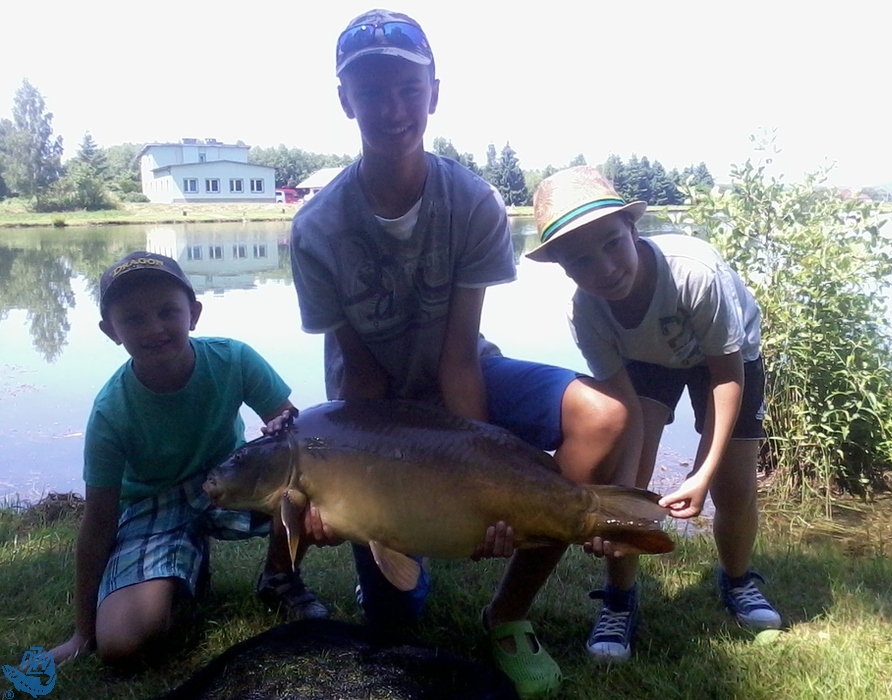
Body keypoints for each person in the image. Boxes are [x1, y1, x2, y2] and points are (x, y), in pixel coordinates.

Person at [289, 10, 640, 698]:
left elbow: (457, 356)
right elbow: (360, 373)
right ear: (345, 101)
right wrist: (344, 488)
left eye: (408, 89)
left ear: (434, 94)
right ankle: (407, 561)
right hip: (372, 409)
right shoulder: (316, 228)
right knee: (395, 619)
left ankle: (507, 612)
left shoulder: (473, 201)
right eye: (371, 91)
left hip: (462, 372)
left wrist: (484, 479)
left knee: (601, 416)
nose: (393, 109)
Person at [526, 165, 783, 659]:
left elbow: (727, 376)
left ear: (632, 227)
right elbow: (625, 410)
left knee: (734, 486)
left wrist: (701, 473)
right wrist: (617, 506)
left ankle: (737, 580)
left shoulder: (694, 272)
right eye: (580, 260)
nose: (604, 269)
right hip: (646, 361)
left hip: (728, 360)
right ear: (561, 266)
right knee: (629, 484)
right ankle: (619, 600)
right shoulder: (586, 312)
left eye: (611, 244)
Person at [50, 251, 327, 667]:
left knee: (300, 482)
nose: (155, 328)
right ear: (111, 331)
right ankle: (179, 575)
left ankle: (279, 578)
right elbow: (99, 520)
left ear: (193, 314)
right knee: (123, 646)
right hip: (153, 505)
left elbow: (296, 433)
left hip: (227, 481)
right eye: (134, 319)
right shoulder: (110, 411)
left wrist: (280, 427)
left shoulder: (234, 358)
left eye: (168, 312)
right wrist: (82, 633)